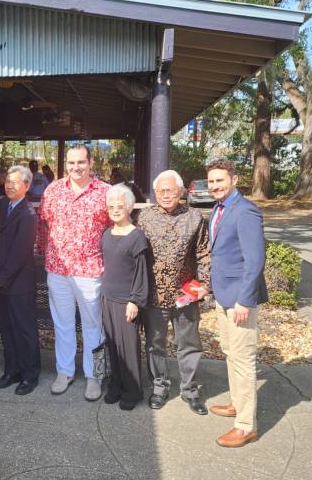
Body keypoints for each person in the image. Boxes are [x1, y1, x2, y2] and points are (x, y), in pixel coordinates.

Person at [135, 170, 211, 415]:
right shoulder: (143, 218)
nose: (165, 195)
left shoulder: (195, 218)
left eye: (170, 190)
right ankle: (159, 386)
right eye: (160, 191)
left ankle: (190, 390)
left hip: (185, 295)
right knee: (154, 344)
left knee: (188, 344)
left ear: (180, 192)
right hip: (154, 295)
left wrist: (205, 285)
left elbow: (204, 254)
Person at [39, 144, 110, 401]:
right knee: (63, 324)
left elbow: (116, 228)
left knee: (95, 326)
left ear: (91, 163)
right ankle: (64, 371)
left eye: (81, 162)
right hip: (58, 270)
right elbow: (44, 224)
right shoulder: (53, 190)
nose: (76, 168)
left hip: (91, 271)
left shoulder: (105, 192)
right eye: (71, 163)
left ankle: (96, 375)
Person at [206, 159, 268, 448]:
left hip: (240, 299)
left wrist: (245, 299)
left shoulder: (245, 211)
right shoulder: (218, 209)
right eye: (211, 181)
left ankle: (245, 425)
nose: (215, 185)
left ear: (234, 179)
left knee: (243, 360)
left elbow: (255, 260)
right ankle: (237, 403)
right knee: (230, 351)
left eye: (220, 180)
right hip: (223, 294)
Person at [0, 165, 40, 395]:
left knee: (24, 330)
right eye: (7, 181)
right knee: (7, 329)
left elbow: (20, 253)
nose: (9, 185)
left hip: (18, 284)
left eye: (15, 182)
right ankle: (12, 370)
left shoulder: (28, 213)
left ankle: (30, 375)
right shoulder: (5, 205)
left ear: (26, 186)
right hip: (1, 282)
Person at [100, 184, 149, 410]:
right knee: (113, 345)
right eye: (111, 206)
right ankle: (116, 385)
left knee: (128, 348)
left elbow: (141, 273)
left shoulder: (137, 236)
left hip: (127, 302)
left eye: (120, 206)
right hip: (108, 298)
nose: (115, 209)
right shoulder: (106, 234)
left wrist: (135, 301)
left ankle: (133, 390)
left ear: (129, 207)